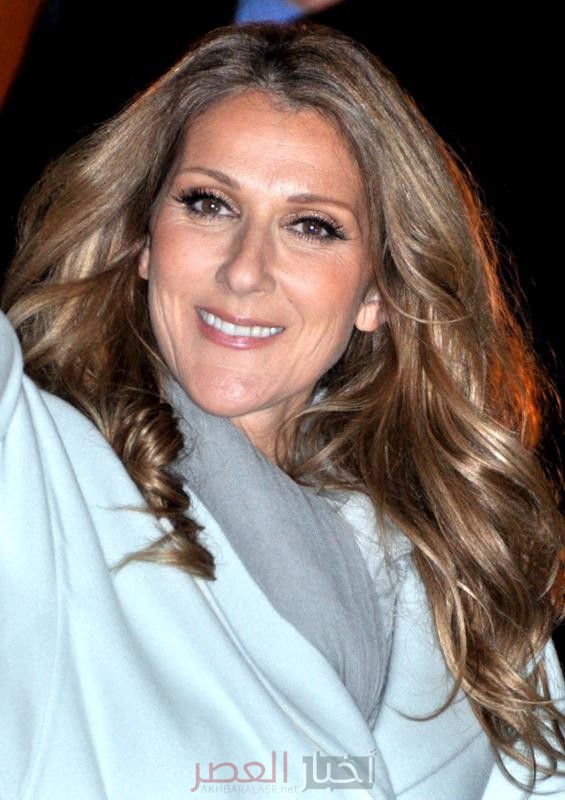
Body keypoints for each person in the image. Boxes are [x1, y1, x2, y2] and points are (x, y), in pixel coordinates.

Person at [0, 20, 563, 800]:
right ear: (143, 240)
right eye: (208, 204)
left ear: (377, 292)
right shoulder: (36, 469)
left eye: (311, 226)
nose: (245, 270)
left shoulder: (460, 565)